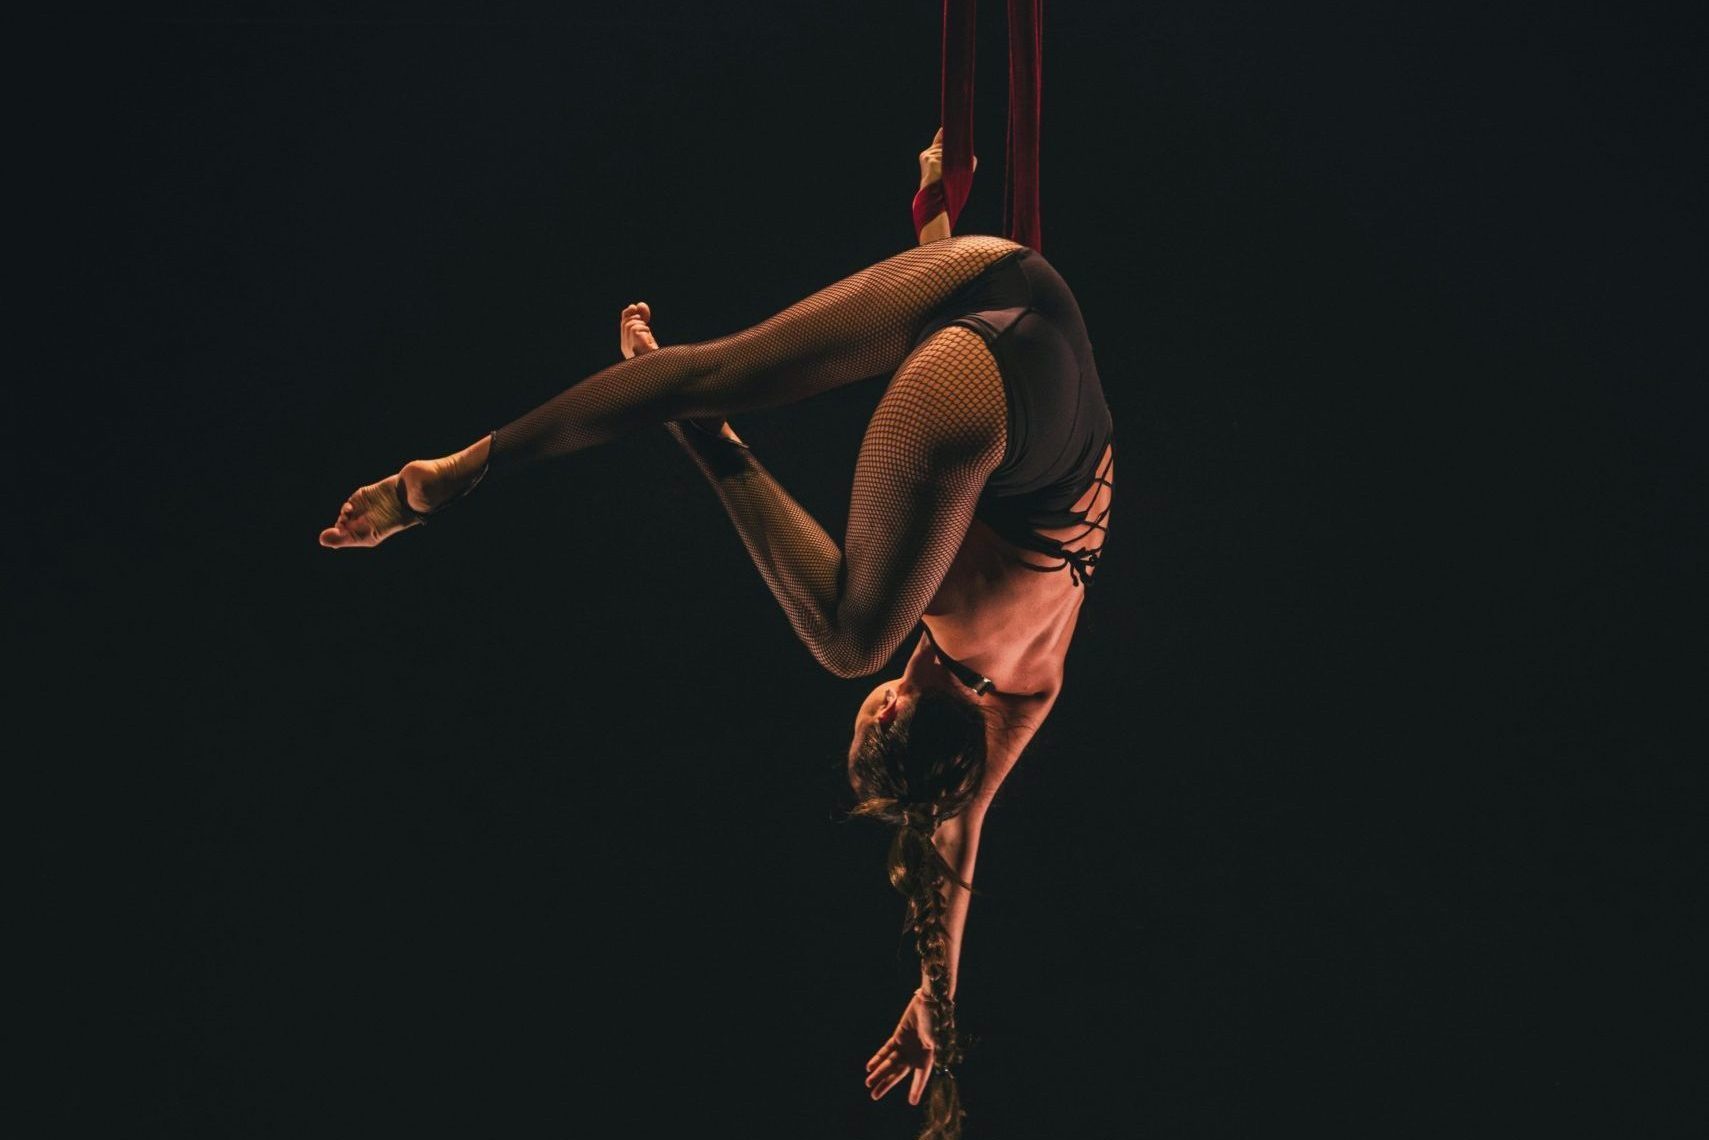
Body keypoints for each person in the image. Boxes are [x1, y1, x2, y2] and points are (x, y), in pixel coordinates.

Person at [319, 129, 1114, 1138]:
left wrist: (938, 996)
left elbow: (957, 836)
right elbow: (940, 811)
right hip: (986, 394)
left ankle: (504, 453)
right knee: (847, 637)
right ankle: (679, 435)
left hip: (1015, 285)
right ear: (885, 712)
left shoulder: (1032, 687)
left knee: (719, 367)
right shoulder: (943, 625)